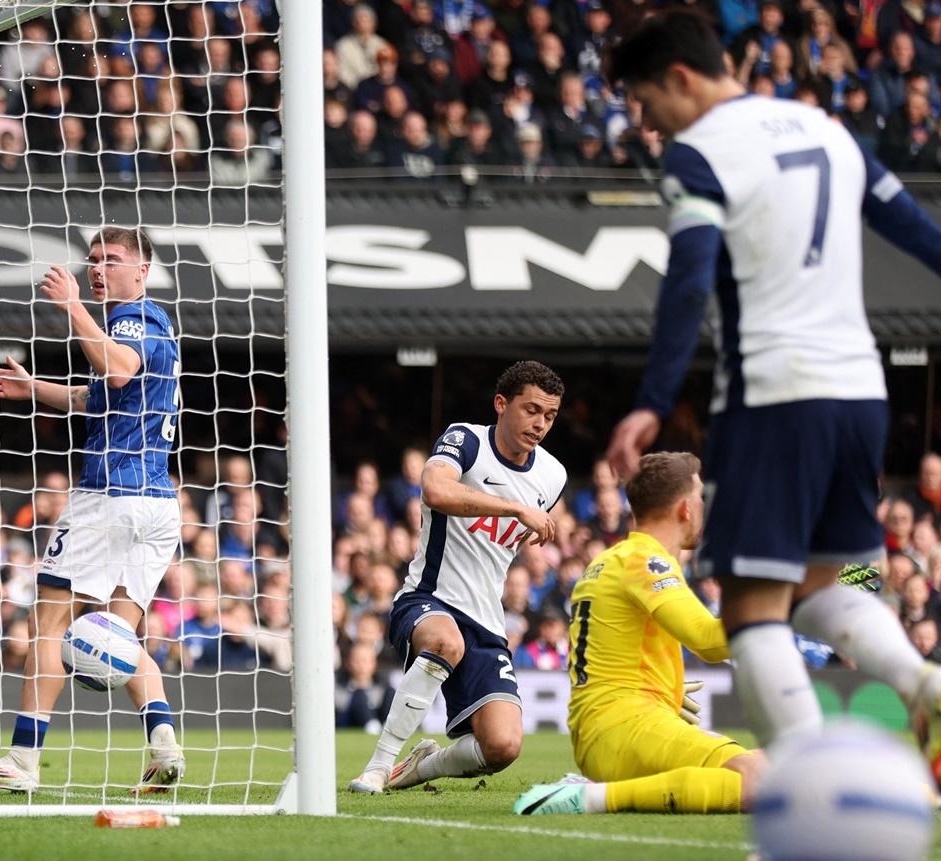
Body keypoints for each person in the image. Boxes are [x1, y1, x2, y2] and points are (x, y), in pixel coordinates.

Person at [604, 11, 941, 766]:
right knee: (825, 584)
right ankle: (921, 679)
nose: (650, 127)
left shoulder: (699, 153)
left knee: (753, 609)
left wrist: (654, 398)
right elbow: (919, 230)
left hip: (771, 393)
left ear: (681, 80)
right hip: (861, 394)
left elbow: (688, 282)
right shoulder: (826, 130)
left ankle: (811, 791)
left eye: (648, 106)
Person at [0, 226, 184, 793]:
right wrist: (34, 388)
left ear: (142, 271)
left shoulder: (130, 319)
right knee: (119, 638)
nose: (98, 269)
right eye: (93, 260)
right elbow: (94, 395)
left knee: (49, 625)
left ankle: (22, 762)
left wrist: (73, 306)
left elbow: (119, 369)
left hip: (108, 497)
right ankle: (163, 744)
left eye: (113, 260)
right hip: (157, 506)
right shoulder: (154, 327)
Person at [349, 361, 567, 793]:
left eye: (550, 415)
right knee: (447, 641)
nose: (540, 424)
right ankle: (378, 765)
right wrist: (514, 508)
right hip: (428, 599)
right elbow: (435, 491)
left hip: (487, 621)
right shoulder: (465, 440)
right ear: (501, 405)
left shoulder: (553, 475)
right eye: (531, 410)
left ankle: (420, 767)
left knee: (502, 746)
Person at [515, 452, 763, 815]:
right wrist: (785, 602)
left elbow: (615, 647)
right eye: (699, 497)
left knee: (772, 767)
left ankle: (599, 788)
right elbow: (709, 641)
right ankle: (589, 799)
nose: (702, 506)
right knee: (760, 783)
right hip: (623, 726)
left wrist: (668, 691)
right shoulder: (646, 561)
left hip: (611, 727)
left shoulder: (613, 560)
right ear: (684, 509)